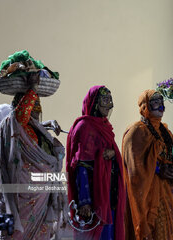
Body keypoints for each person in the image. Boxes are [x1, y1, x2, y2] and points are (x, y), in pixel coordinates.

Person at [0, 75, 66, 239]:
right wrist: (33, 87)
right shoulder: (11, 125)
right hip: (21, 198)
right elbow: (19, 119)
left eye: (37, 109)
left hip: (42, 199)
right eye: (32, 107)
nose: (35, 113)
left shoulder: (37, 130)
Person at [66, 85, 125, 240]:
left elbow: (113, 154)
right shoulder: (84, 127)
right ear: (94, 102)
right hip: (93, 198)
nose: (109, 105)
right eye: (104, 100)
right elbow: (81, 165)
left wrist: (113, 154)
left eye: (110, 100)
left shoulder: (104, 126)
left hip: (109, 194)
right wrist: (84, 201)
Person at [122, 90, 173, 240]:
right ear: (144, 106)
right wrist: (159, 169)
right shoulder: (136, 132)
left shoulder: (166, 131)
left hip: (167, 195)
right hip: (147, 198)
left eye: (161, 102)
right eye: (155, 102)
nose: (161, 106)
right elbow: (135, 170)